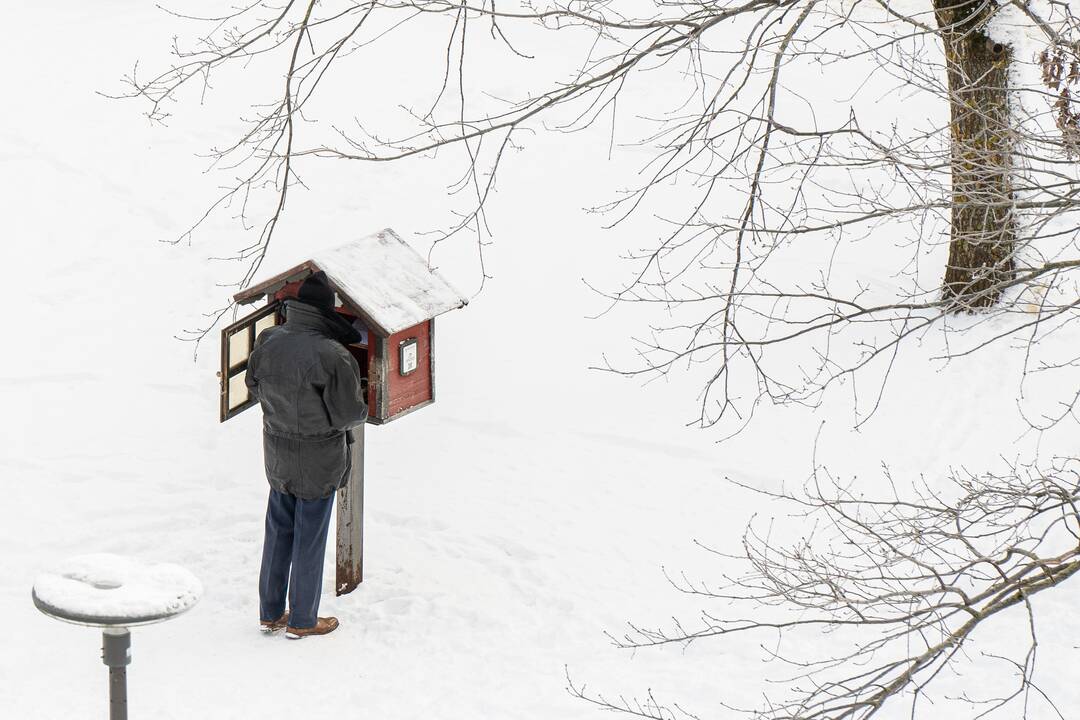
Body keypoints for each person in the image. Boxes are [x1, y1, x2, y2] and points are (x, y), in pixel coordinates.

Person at [245, 271, 368, 639]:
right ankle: (302, 619)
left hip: (278, 451)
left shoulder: (268, 340)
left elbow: (253, 385)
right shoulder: (334, 355)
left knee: (278, 529)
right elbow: (349, 414)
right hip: (320, 458)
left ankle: (270, 612)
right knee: (309, 536)